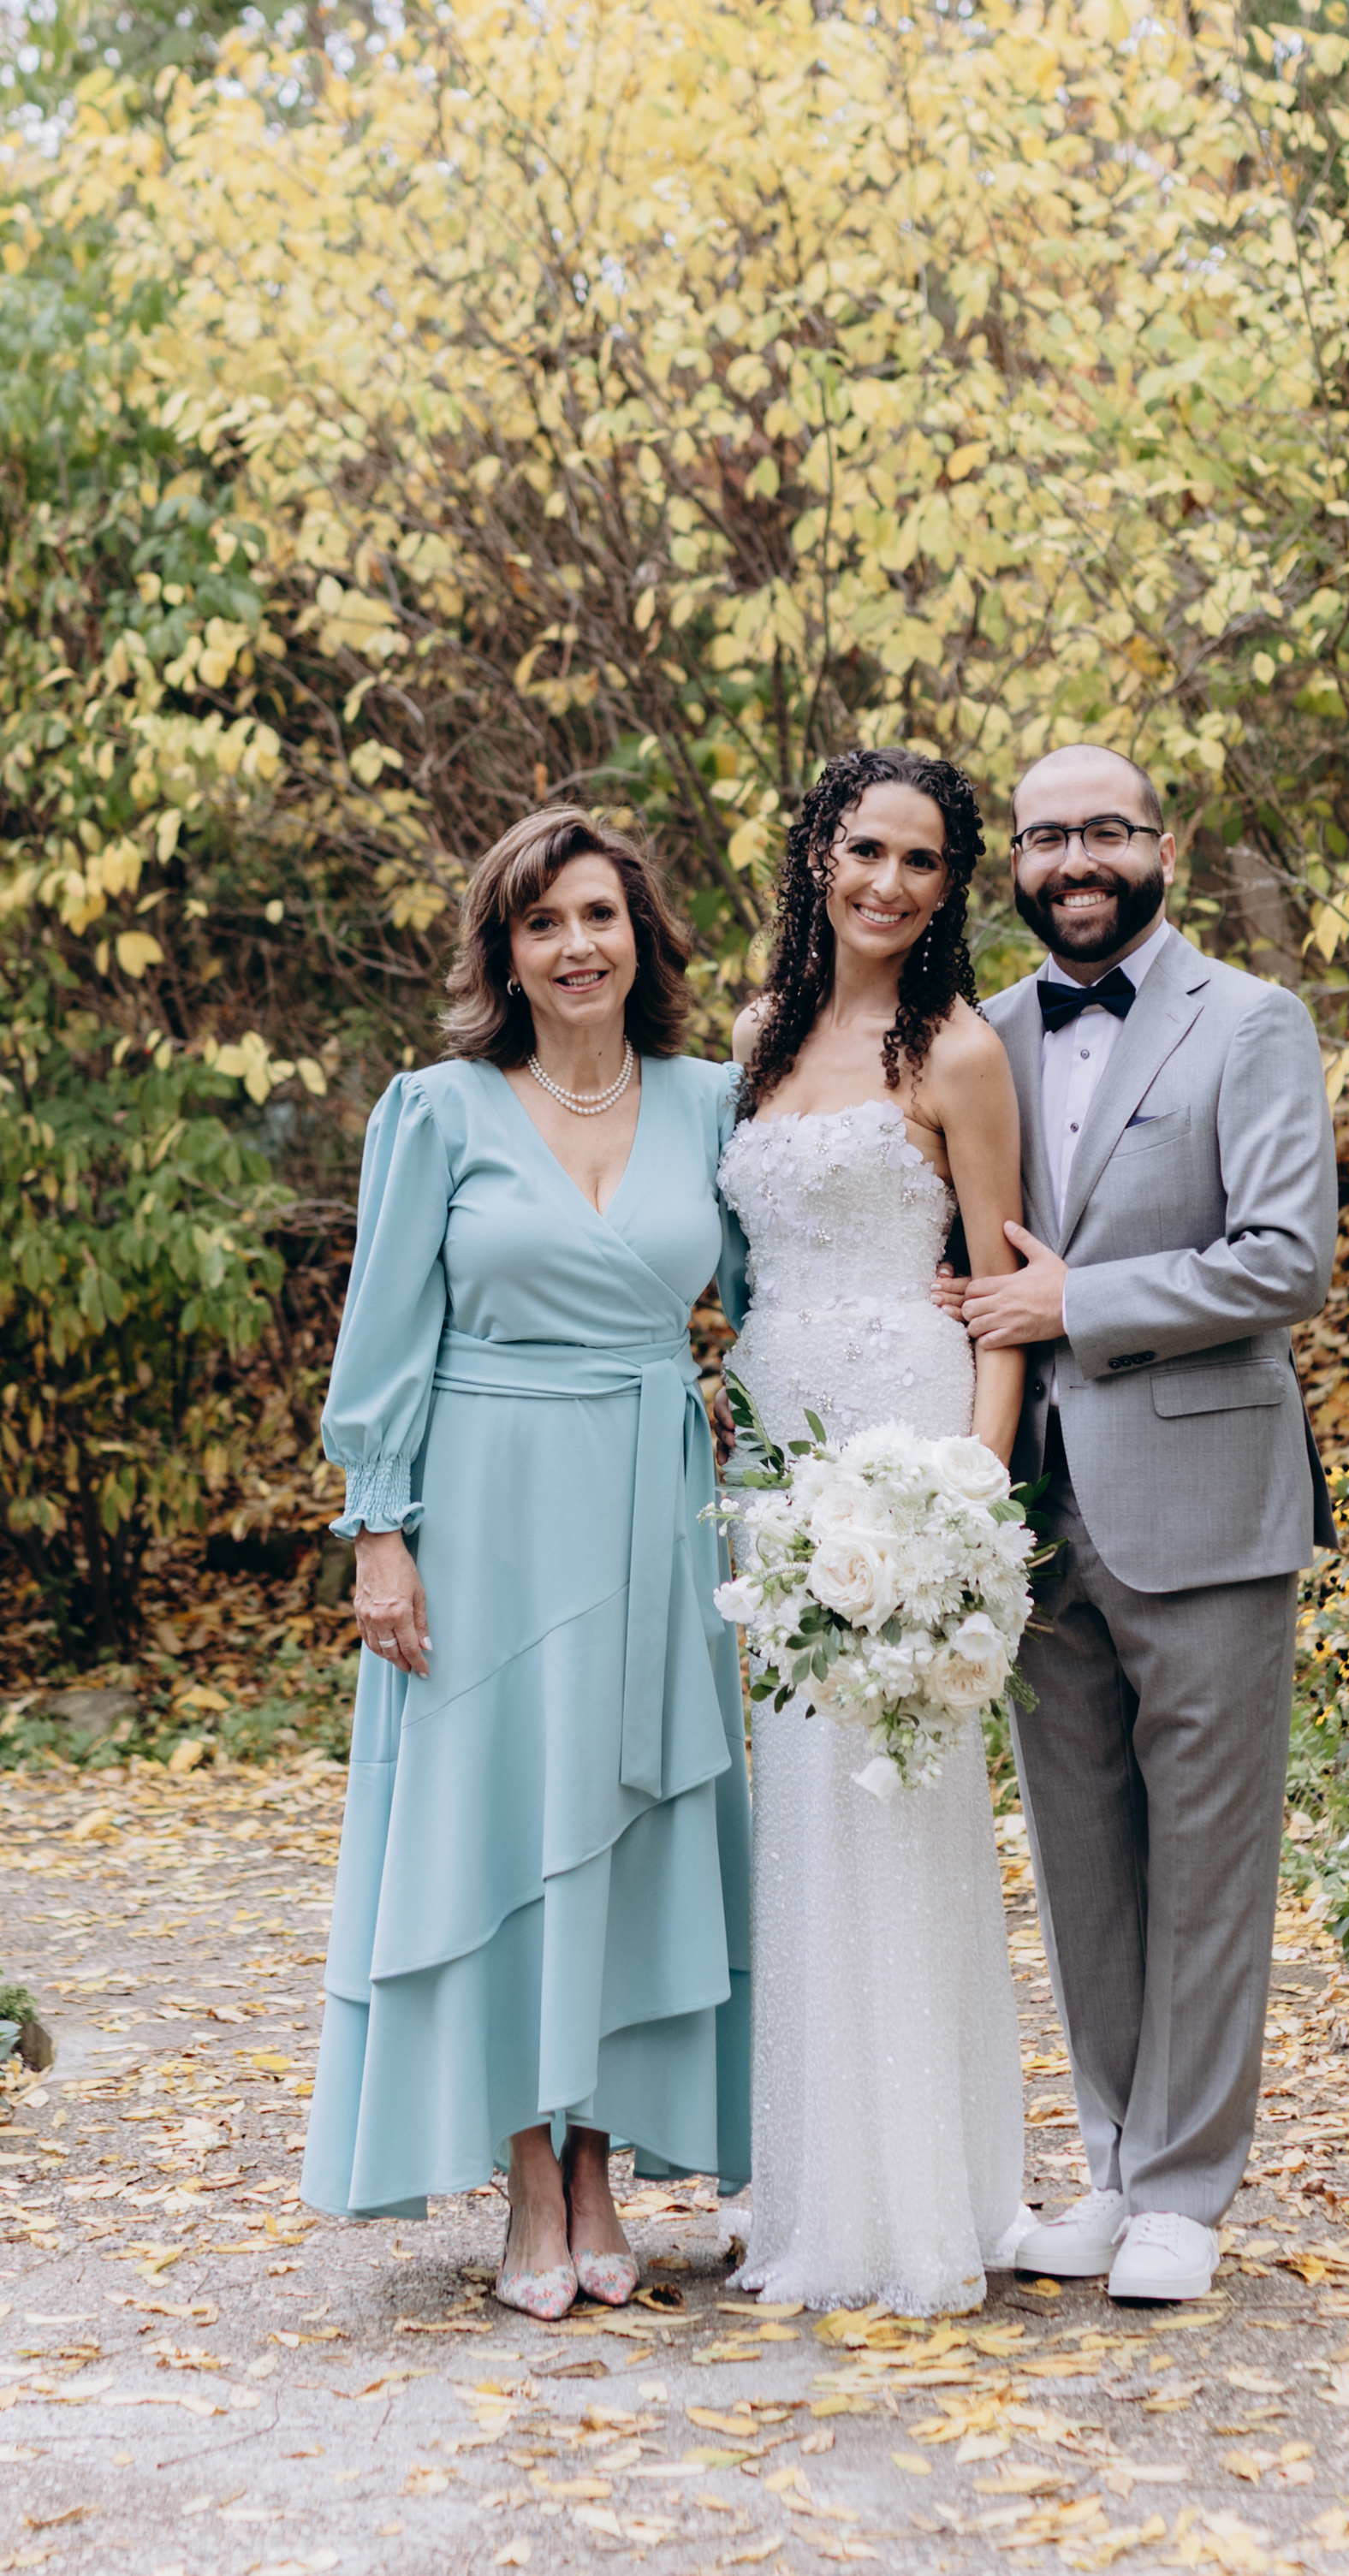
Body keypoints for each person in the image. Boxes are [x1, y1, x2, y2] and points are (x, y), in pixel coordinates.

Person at [301, 808, 752, 2321]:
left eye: (599, 914)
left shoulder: (713, 1101)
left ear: (643, 935)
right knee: (496, 1830)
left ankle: (601, 2163)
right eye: (542, 921)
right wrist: (380, 1531)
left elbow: (772, 1308)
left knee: (629, 1826)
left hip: (654, 1504)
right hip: (484, 1508)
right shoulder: (436, 1110)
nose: (575, 945)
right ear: (504, 950)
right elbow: (384, 1336)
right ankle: (527, 2181)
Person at [959, 743, 1337, 2304]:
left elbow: (1287, 1258)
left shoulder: (1249, 1020)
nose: (1076, 861)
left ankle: (1187, 2187)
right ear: (1016, 864)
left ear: (1160, 847)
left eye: (1105, 831)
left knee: (1209, 1857)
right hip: (1032, 1510)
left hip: (1205, 1499)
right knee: (1083, 1861)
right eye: (1046, 837)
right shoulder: (977, 1033)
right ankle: (1115, 2166)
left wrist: (1081, 1302)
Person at [717, 745, 1028, 2316]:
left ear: (951, 886)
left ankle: (918, 2206)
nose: (888, 883)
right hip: (774, 1457)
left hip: (904, 1452)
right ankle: (810, 2189)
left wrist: (968, 1507)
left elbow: (1003, 1298)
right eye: (865, 849)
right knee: (796, 1807)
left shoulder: (960, 1053)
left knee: (895, 1800)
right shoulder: (754, 1035)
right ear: (817, 856)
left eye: (921, 860)